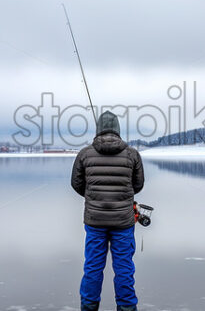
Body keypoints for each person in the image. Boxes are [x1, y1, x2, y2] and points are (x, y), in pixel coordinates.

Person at [71, 110, 144, 311]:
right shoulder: (132, 154)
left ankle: (88, 307)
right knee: (124, 269)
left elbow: (76, 184)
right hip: (123, 221)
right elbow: (137, 185)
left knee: (93, 267)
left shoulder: (85, 154)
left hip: (95, 221)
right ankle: (128, 308)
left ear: (98, 130)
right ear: (118, 130)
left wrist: (94, 197)